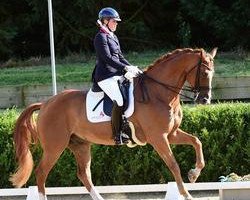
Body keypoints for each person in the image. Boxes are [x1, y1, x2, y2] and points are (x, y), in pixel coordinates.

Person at [92, 7, 142, 145]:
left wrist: (132, 67)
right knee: (119, 100)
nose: (116, 24)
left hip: (116, 73)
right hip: (105, 76)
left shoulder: (113, 37)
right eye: (114, 21)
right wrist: (125, 68)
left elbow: (120, 57)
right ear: (106, 21)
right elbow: (107, 58)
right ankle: (117, 133)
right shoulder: (100, 37)